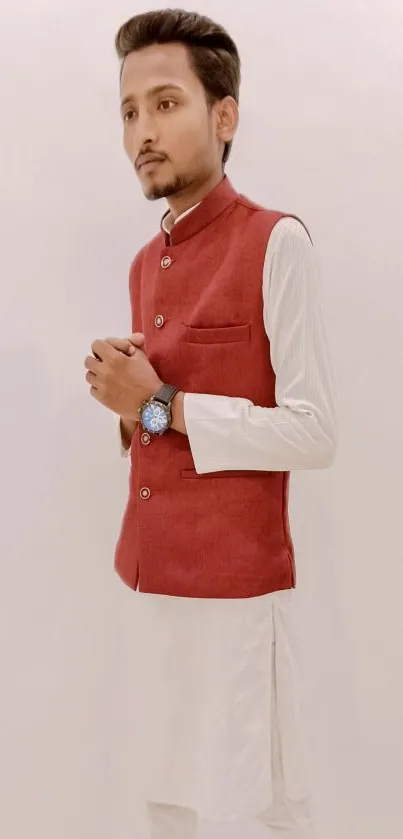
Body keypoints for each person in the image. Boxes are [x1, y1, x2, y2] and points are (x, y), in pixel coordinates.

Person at [84, 9, 337, 838]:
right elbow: (162, 419)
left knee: (247, 817)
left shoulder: (276, 242)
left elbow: (312, 431)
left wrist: (155, 404)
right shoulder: (140, 262)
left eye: (164, 104)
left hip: (234, 598)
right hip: (148, 589)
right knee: (163, 813)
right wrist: (127, 410)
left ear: (223, 116)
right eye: (128, 111)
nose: (141, 132)